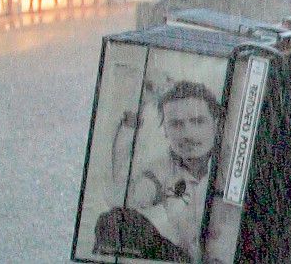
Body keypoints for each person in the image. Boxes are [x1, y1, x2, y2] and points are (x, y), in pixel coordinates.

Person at [95, 81, 223, 263]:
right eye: (176, 124)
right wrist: (134, 115)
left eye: (197, 121)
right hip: (187, 259)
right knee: (113, 221)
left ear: (216, 124)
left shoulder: (232, 161)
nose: (187, 134)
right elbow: (123, 199)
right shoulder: (162, 169)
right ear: (165, 131)